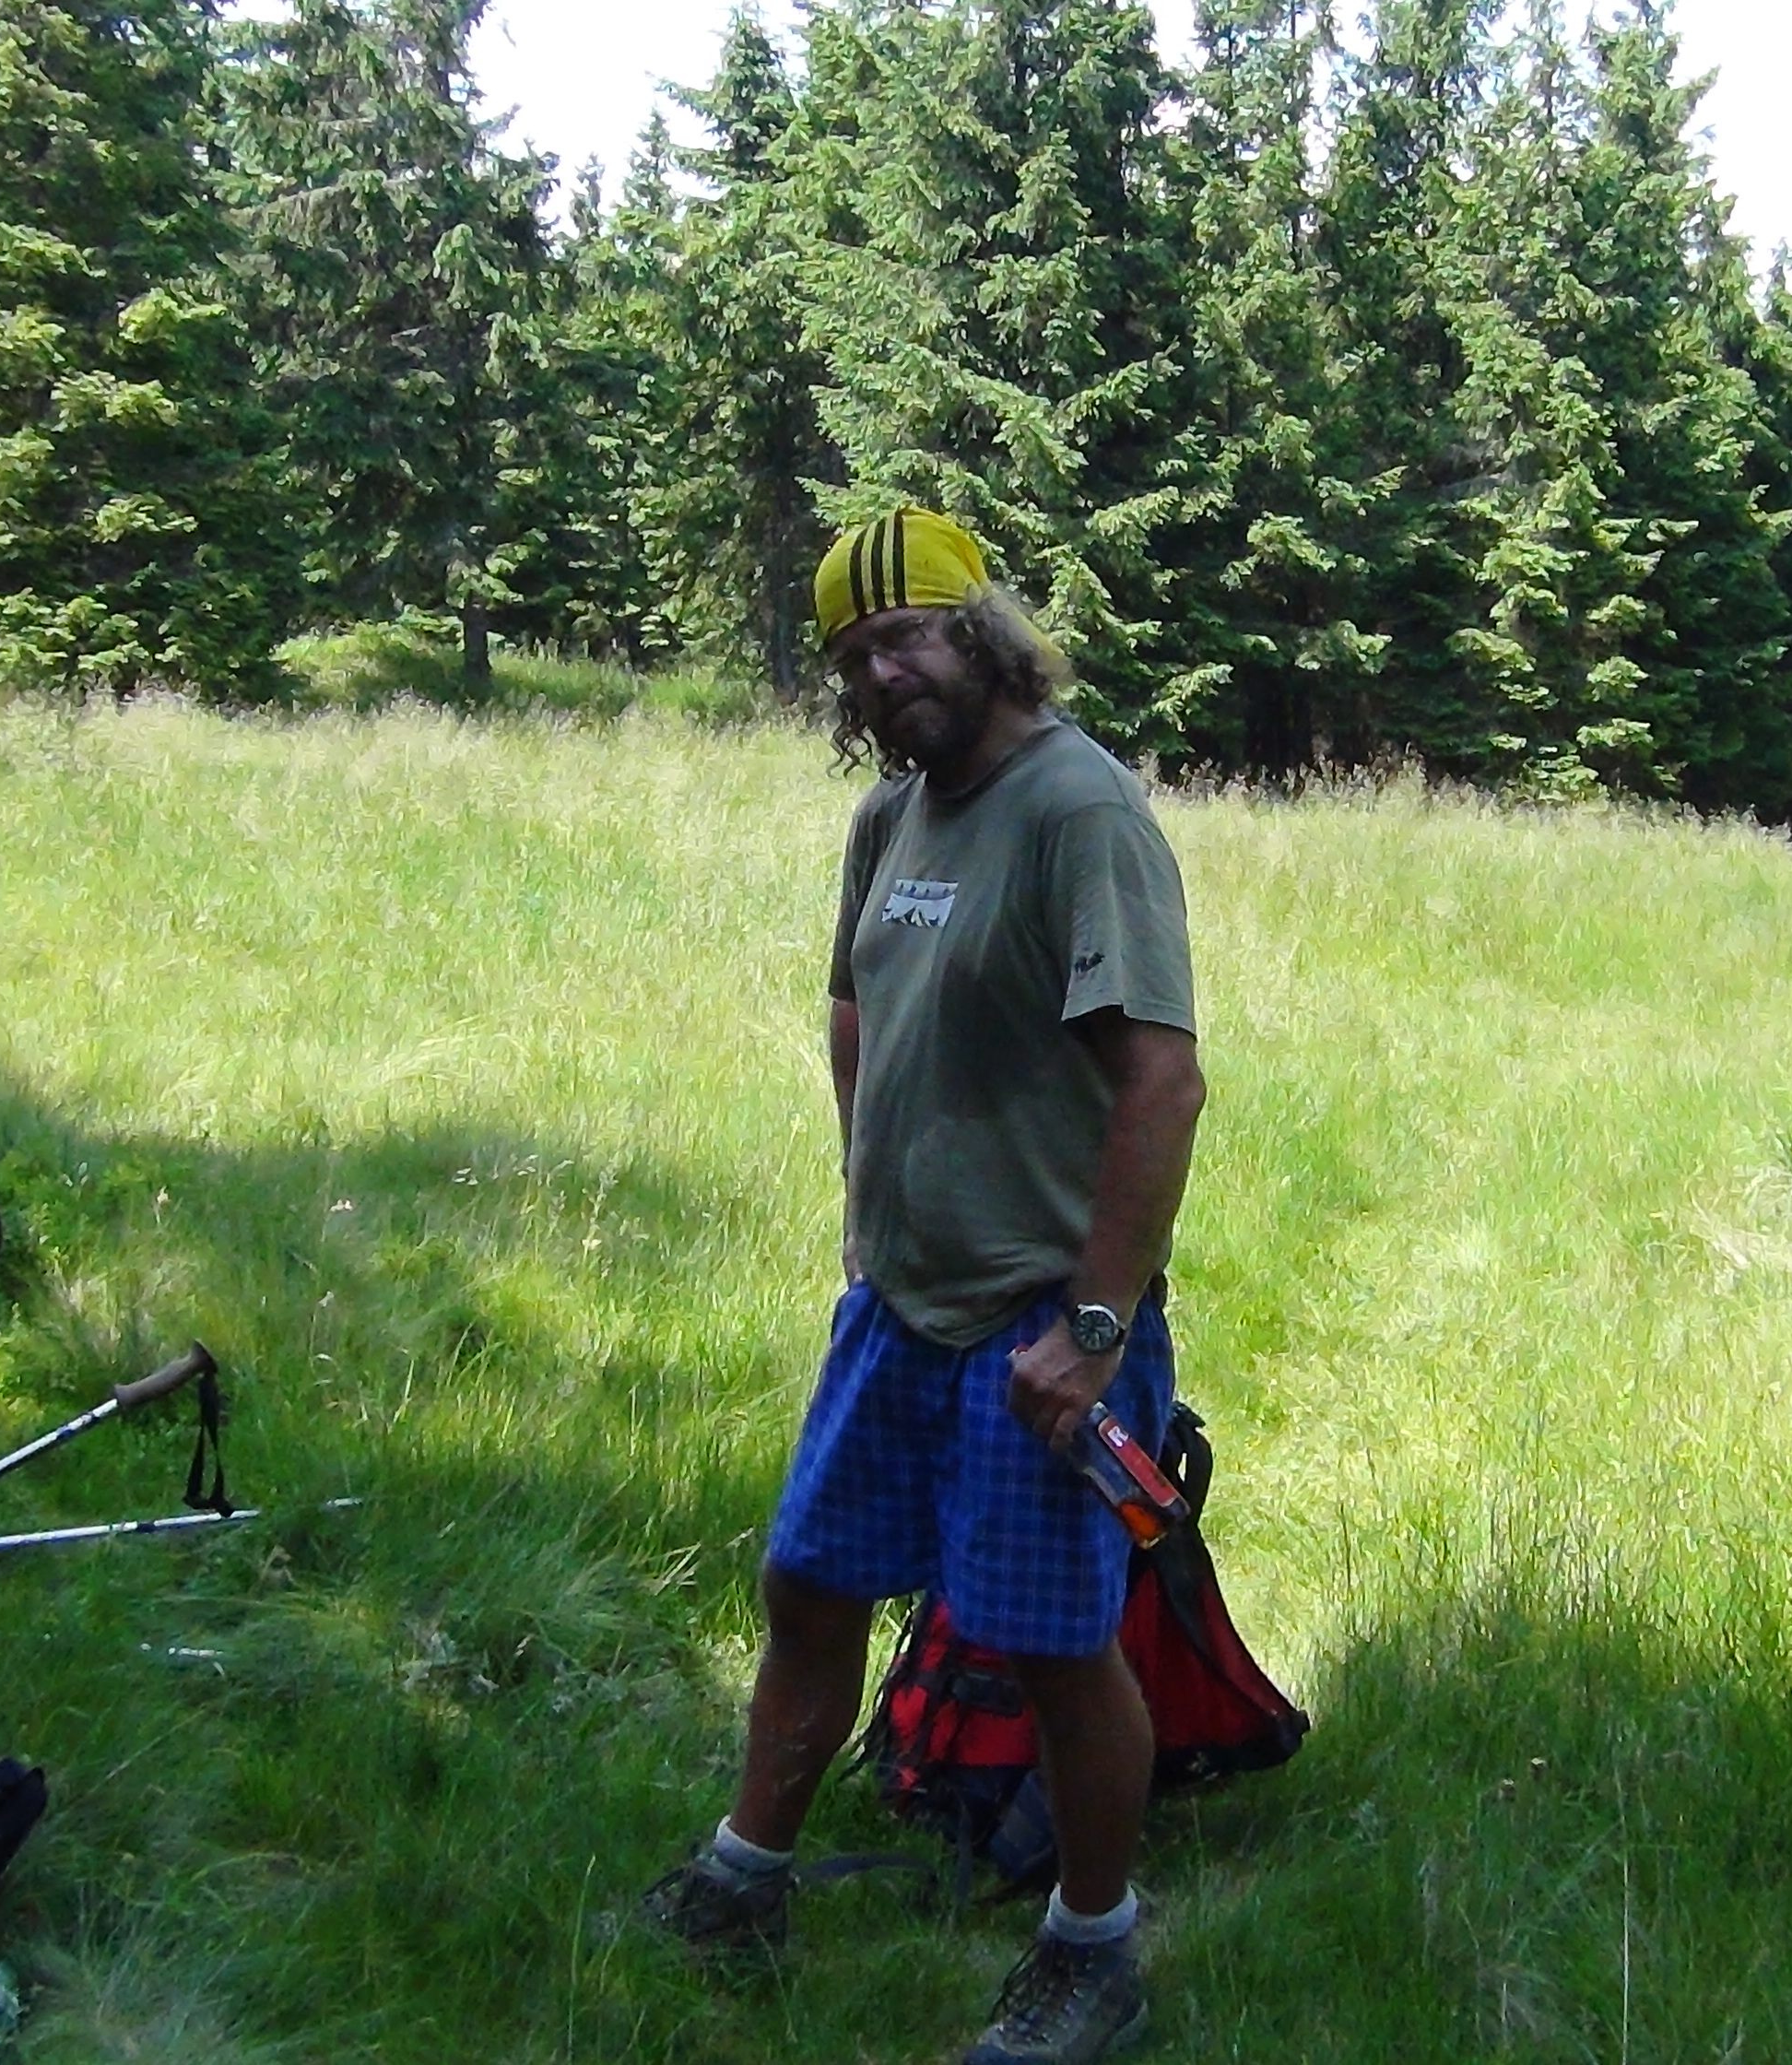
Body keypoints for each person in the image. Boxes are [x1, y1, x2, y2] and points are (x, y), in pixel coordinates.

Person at [643, 508, 1206, 2065]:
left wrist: (1094, 1332)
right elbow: (853, 1009)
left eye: (905, 638)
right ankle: (747, 1874)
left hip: (1039, 1324)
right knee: (809, 1586)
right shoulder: (890, 819)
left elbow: (1161, 1083)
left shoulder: (1079, 810)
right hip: (897, 1305)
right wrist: (866, 1204)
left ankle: (1093, 1951)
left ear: (982, 632)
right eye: (851, 657)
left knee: (1053, 1643)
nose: (881, 676)